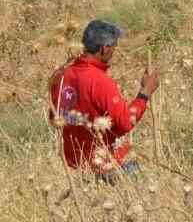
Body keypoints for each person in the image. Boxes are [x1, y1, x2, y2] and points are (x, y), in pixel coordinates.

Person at [46, 20, 159, 180]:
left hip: (74, 169)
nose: (114, 51)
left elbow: (54, 117)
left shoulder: (61, 76)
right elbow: (125, 122)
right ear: (104, 48)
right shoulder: (99, 81)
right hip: (108, 166)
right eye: (114, 47)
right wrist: (145, 93)